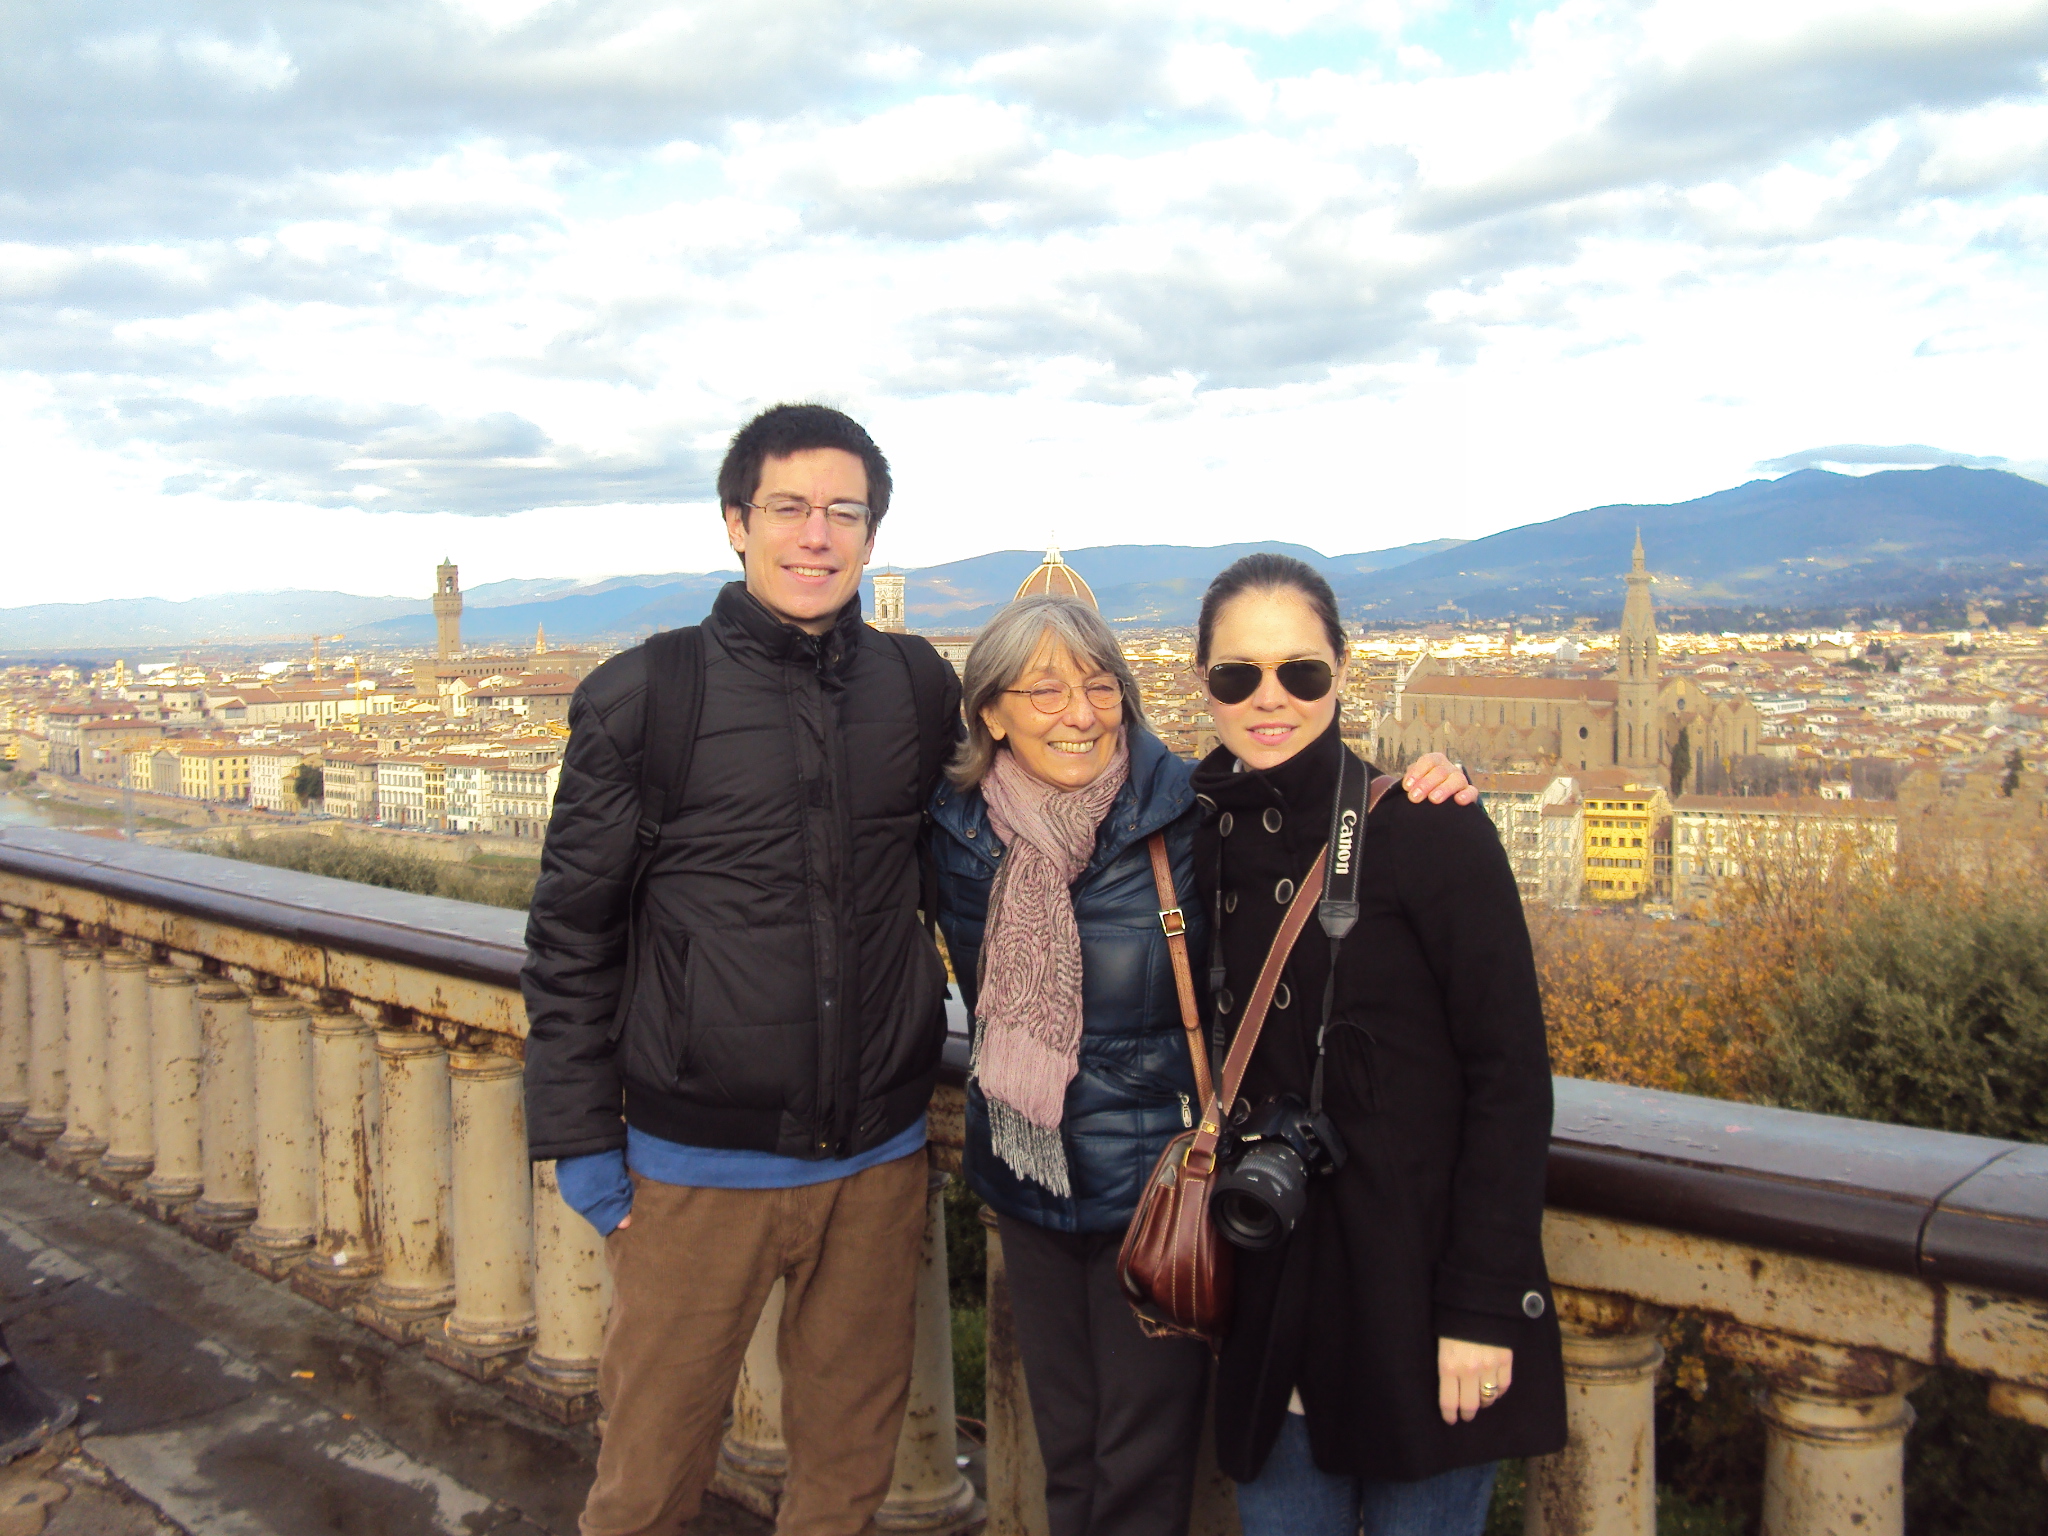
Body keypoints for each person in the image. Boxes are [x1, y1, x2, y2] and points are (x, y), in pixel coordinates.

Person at [929, 594, 1478, 1536]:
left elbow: (1320, 822)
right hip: (1027, 1182)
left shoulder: (1191, 811)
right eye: (1045, 690)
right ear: (992, 714)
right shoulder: (956, 831)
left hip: (1156, 1194)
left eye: (1100, 685)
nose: (1079, 713)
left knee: (1139, 1471)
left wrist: (1432, 786)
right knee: (1067, 1455)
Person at [521, 403, 961, 1536]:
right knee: (647, 1480)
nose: (816, 535)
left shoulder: (915, 686)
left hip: (876, 1160)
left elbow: (1017, 816)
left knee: (848, 1478)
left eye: (843, 513)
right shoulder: (645, 695)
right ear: (735, 522)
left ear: (872, 537)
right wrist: (581, 1142)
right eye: (789, 508)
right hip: (693, 1170)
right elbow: (572, 933)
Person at [1189, 553, 1567, 1536]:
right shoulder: (1194, 835)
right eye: (1237, 673)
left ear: (1342, 672)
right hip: (1272, 1307)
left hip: (1421, 1309)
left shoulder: (1428, 830)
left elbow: (1509, 1079)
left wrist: (1482, 1307)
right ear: (1202, 683)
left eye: (1300, 671)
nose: (1269, 697)